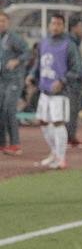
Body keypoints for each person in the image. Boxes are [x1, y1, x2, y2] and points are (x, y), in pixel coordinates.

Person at [24, 13, 82, 170]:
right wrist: (31, 75)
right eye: (53, 24)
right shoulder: (43, 43)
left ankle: (61, 159)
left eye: (58, 24)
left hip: (60, 92)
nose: (55, 27)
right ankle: (54, 152)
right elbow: (39, 63)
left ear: (63, 27)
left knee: (58, 122)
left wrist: (62, 81)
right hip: (44, 89)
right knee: (43, 121)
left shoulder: (69, 45)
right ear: (49, 26)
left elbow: (77, 70)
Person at [0, 11, 29, 155]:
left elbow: (27, 52)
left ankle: (15, 144)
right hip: (2, 79)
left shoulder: (14, 38)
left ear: (8, 22)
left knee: (9, 109)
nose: (1, 24)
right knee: (1, 109)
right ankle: (2, 143)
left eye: (3, 21)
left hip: (14, 79)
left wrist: (16, 61)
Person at [66, 16, 82, 148]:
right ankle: (68, 138)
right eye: (81, 27)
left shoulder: (75, 42)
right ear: (74, 28)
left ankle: (71, 137)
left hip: (76, 81)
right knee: (70, 111)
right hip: (70, 81)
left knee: (74, 111)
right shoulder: (69, 43)